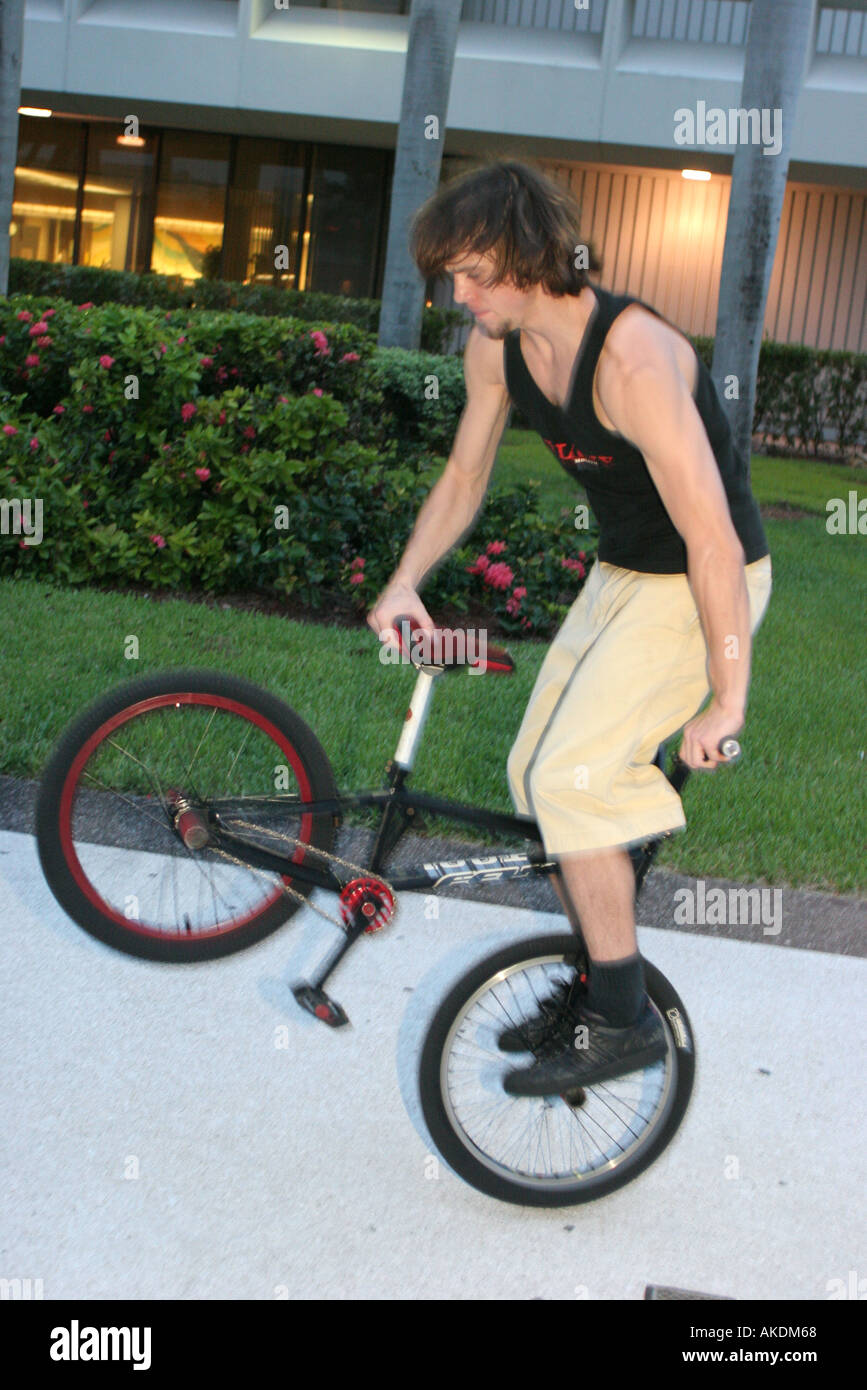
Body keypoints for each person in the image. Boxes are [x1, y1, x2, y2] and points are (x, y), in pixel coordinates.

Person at [366, 159, 773, 1095]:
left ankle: (621, 1018)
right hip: (626, 574)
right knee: (533, 776)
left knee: (573, 776)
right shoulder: (495, 347)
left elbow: (710, 535)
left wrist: (728, 694)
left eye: (471, 274)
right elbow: (465, 480)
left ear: (528, 256)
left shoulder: (632, 358)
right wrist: (403, 582)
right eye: (449, 277)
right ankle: (598, 979)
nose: (456, 295)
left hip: (705, 582)